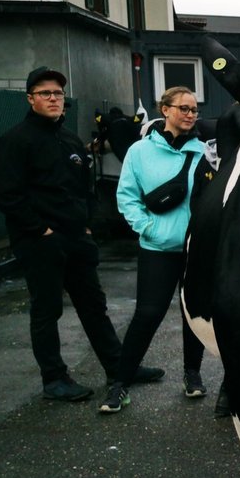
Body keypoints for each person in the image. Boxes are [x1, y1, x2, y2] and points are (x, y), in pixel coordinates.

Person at [0, 67, 160, 401]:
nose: (54, 99)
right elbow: (7, 195)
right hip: (40, 241)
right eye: (45, 93)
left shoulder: (69, 139)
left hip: (77, 239)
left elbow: (85, 188)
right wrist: (41, 229)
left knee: (94, 306)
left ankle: (118, 366)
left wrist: (87, 224)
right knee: (47, 310)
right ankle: (54, 379)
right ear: (30, 99)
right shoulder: (15, 141)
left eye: (58, 93)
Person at [99, 87, 211, 413]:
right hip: (157, 248)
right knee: (147, 315)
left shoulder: (203, 152)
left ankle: (192, 374)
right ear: (165, 109)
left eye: (194, 109)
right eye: (183, 108)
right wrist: (149, 229)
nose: (190, 114)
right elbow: (127, 197)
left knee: (193, 315)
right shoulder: (139, 151)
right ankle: (120, 383)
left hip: (195, 250)